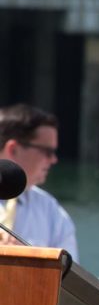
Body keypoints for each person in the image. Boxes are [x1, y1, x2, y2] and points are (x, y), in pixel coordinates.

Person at [0, 103, 77, 259]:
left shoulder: (51, 210)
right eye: (47, 152)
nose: (54, 160)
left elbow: (71, 277)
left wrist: (27, 259)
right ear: (13, 149)